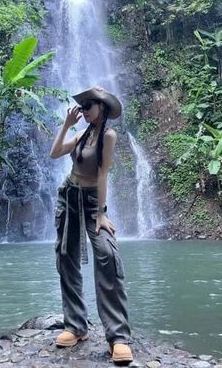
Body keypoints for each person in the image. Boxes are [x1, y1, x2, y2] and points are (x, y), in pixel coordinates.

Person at [49, 86, 133, 366]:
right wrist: (66, 124)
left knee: (107, 254)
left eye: (88, 106)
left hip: (92, 202)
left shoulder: (108, 135)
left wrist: (101, 214)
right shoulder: (82, 133)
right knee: (66, 256)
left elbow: (103, 174)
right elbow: (55, 153)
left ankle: (118, 337)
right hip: (68, 196)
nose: (83, 111)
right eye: (81, 106)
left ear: (103, 108)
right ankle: (75, 326)